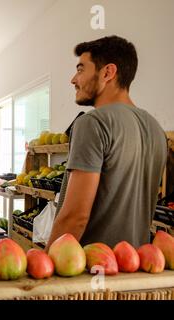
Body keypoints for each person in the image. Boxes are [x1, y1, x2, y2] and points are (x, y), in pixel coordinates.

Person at [46, 36, 167, 250]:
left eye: (81, 69)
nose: (74, 79)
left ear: (108, 73)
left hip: (90, 269)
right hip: (134, 266)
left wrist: (46, 262)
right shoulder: (156, 129)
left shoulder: (91, 123)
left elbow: (75, 217)